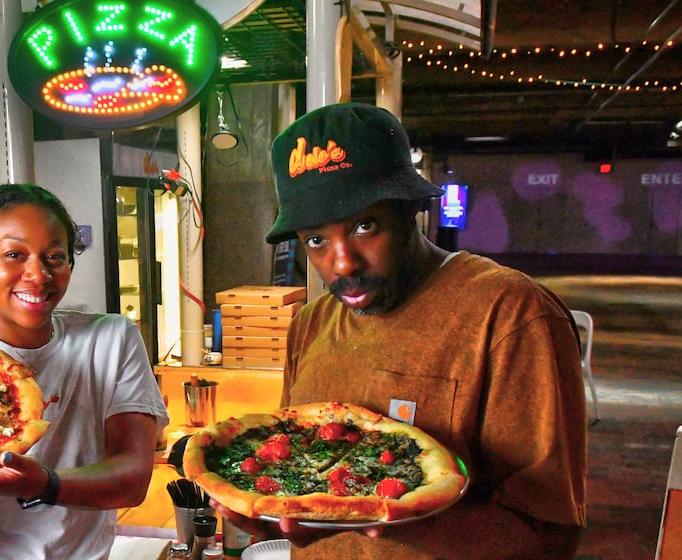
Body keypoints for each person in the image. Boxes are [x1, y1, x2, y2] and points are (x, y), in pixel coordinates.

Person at [212, 103, 587, 559]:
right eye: (316, 240)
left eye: (365, 226)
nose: (343, 262)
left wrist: (395, 524)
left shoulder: (509, 314)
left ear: (410, 210)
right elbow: (295, 464)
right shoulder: (310, 324)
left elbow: (547, 532)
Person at [0, 183, 169, 560]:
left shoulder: (111, 338)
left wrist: (44, 483)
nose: (37, 274)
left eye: (54, 256)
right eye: (14, 254)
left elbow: (132, 480)